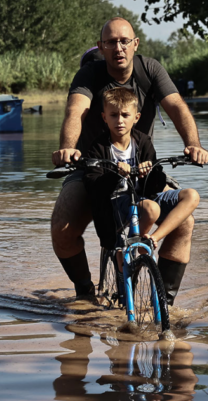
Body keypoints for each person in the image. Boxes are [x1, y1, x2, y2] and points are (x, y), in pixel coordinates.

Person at [51, 16, 208, 303]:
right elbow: (76, 111)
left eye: (124, 41)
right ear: (101, 47)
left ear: (135, 44)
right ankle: (86, 293)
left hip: (139, 169)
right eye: (111, 42)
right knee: (62, 227)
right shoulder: (90, 75)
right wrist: (68, 148)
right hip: (95, 169)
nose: (118, 48)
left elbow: (176, 106)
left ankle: (165, 304)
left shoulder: (150, 69)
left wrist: (193, 145)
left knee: (185, 222)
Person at [84, 89, 200, 303]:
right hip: (114, 204)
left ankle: (152, 239)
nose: (119, 120)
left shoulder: (143, 141)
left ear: (136, 117)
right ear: (104, 117)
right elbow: (93, 185)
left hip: (142, 197)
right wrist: (114, 173)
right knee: (151, 209)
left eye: (125, 115)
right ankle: (131, 248)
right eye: (113, 115)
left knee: (191, 195)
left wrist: (151, 171)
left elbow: (153, 187)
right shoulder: (99, 147)